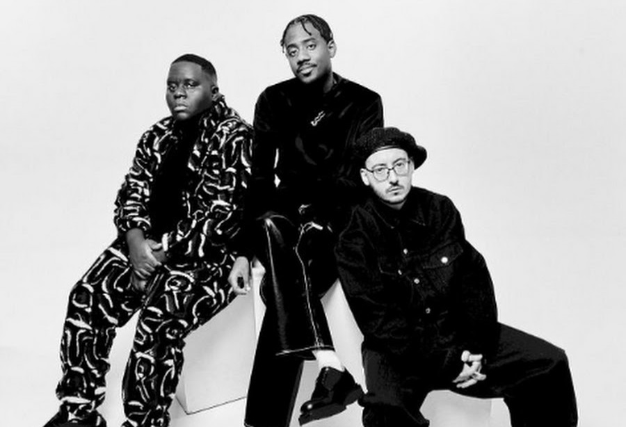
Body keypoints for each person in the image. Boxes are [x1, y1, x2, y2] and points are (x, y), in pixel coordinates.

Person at [43, 54, 252, 427]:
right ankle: (79, 411)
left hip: (208, 258)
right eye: (172, 86)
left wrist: (159, 254)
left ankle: (145, 422)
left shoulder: (235, 137)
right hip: (146, 247)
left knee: (157, 319)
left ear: (214, 90)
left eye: (190, 85)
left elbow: (223, 217)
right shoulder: (157, 135)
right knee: (87, 296)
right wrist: (136, 243)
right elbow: (131, 195)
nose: (178, 93)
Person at [335, 126, 578, 427]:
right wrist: (447, 364)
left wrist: (474, 350)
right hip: (398, 348)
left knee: (549, 364)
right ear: (365, 176)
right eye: (381, 170)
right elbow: (379, 322)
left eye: (399, 165)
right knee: (386, 409)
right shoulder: (353, 236)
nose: (393, 177)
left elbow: (474, 284)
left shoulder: (440, 209)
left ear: (411, 166)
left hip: (456, 331)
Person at [228, 14, 383, 427]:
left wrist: (318, 214)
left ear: (331, 47)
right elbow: (260, 179)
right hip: (282, 219)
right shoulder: (273, 100)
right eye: (292, 50)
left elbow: (357, 178)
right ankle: (329, 364)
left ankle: (263, 423)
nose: (301, 57)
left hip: (337, 218)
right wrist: (243, 252)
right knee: (271, 228)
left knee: (282, 298)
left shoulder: (364, 101)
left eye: (310, 46)